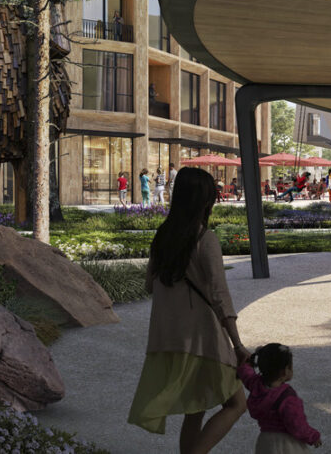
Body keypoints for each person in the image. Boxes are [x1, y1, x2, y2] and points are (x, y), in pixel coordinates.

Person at [127, 167, 249, 450]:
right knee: (236, 404)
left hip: (169, 336)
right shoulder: (205, 239)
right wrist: (238, 344)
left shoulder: (163, 236)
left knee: (196, 408)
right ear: (204, 200)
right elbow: (220, 295)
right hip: (202, 337)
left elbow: (149, 285)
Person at [237, 343, 322, 451]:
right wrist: (313, 436)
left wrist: (244, 365)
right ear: (284, 371)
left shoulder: (256, 385)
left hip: (265, 443)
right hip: (287, 445)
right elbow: (297, 424)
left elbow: (247, 376)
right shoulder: (287, 398)